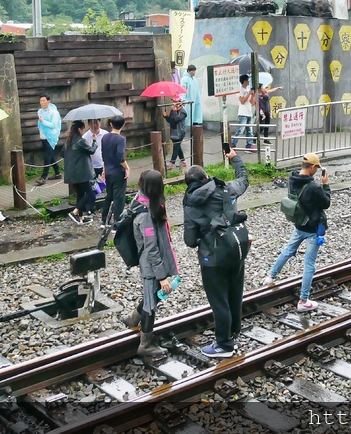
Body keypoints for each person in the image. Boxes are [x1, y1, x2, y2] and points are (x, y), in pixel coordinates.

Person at [183, 146, 250, 358]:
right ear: (207, 176)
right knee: (234, 294)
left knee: (219, 300)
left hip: (212, 257)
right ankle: (233, 333)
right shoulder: (227, 188)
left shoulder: (191, 204)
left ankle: (224, 345)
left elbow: (190, 241)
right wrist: (234, 158)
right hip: (236, 248)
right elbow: (244, 179)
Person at [262, 152, 331, 312]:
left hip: (299, 223)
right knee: (309, 264)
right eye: (316, 168)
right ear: (313, 167)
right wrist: (326, 185)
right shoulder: (313, 187)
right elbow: (326, 203)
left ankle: (270, 277)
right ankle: (303, 301)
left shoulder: (292, 179)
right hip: (313, 229)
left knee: (288, 250)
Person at [123, 169, 180, 359]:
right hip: (150, 267)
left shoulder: (143, 202)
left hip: (152, 265)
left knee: (153, 298)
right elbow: (151, 248)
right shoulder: (145, 215)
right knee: (150, 304)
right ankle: (145, 344)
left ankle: (132, 319)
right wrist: (162, 276)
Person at [64, 119, 98, 224]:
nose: (83, 131)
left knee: (80, 194)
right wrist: (94, 141)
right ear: (79, 129)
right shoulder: (80, 141)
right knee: (90, 193)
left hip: (71, 173)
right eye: (83, 129)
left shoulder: (68, 141)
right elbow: (92, 150)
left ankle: (81, 217)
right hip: (81, 173)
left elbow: (63, 154)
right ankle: (74, 212)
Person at [100, 116, 129, 229]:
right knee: (119, 197)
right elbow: (120, 157)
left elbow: (103, 155)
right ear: (123, 125)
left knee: (109, 196)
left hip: (108, 170)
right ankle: (117, 223)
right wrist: (127, 168)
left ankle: (104, 221)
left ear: (111, 124)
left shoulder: (104, 137)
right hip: (118, 171)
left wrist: (104, 169)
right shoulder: (121, 139)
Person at [36, 94, 63, 183]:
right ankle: (58, 173)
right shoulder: (39, 111)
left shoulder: (54, 112)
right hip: (43, 136)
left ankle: (43, 177)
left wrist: (43, 121)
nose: (42, 103)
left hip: (51, 136)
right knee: (50, 155)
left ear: (48, 101)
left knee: (47, 156)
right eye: (41, 101)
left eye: (44, 101)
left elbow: (53, 125)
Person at [163, 97, 188, 170]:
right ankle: (183, 161)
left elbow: (176, 119)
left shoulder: (183, 112)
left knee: (176, 146)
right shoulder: (173, 110)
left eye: (174, 101)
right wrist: (166, 116)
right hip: (173, 131)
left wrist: (174, 111)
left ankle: (172, 162)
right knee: (178, 146)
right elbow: (171, 121)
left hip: (180, 132)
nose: (173, 103)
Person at [233, 74, 256, 150]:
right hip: (242, 113)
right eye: (247, 80)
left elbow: (252, 103)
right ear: (244, 81)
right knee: (241, 130)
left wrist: (252, 95)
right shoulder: (240, 90)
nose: (249, 81)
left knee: (249, 130)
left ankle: (249, 145)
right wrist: (249, 93)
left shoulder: (248, 90)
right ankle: (233, 144)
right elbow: (242, 101)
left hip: (249, 112)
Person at [84, 118, 107, 191]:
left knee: (107, 184)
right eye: (93, 123)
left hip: (104, 164)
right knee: (93, 188)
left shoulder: (105, 134)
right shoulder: (85, 137)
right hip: (92, 165)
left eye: (97, 123)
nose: (95, 125)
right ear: (89, 124)